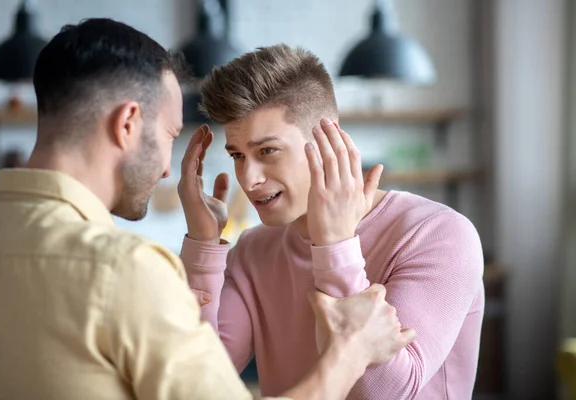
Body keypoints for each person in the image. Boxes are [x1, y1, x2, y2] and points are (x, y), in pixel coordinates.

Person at [0, 19, 415, 400]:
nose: (168, 169)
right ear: (127, 124)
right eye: (169, 134)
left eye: (266, 151)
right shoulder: (125, 271)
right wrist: (351, 350)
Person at [178, 44, 486, 399]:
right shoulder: (253, 249)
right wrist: (203, 244)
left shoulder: (438, 234)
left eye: (267, 151)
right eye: (237, 155)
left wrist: (335, 246)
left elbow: (384, 394)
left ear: (329, 140)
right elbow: (197, 382)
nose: (248, 180)